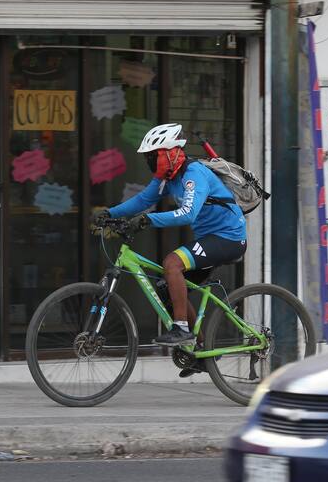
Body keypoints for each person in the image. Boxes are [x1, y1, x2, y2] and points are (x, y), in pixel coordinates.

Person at [93, 123, 247, 350]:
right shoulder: (167, 177)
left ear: (171, 153)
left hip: (229, 238)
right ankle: (201, 349)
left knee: (172, 263)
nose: (149, 161)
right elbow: (143, 200)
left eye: (153, 156)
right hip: (207, 239)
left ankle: (181, 329)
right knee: (167, 286)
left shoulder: (193, 175)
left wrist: (148, 220)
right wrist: (110, 213)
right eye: (147, 157)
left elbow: (188, 213)